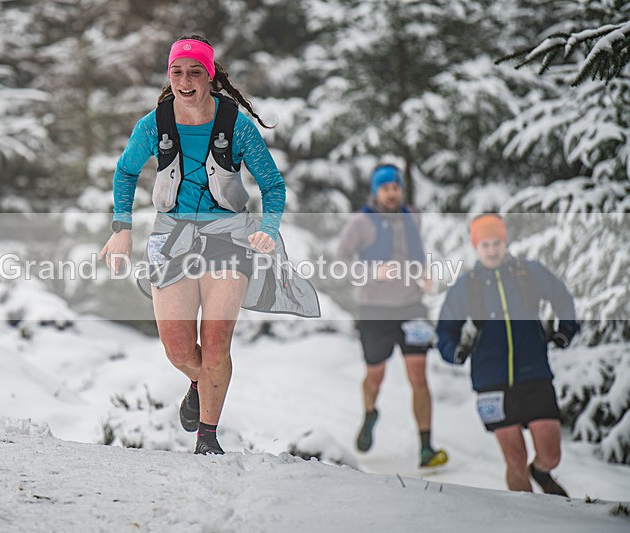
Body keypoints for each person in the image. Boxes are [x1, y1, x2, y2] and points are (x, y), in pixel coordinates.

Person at [99, 35, 319, 455]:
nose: (185, 80)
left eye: (195, 71)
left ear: (210, 75)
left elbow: (272, 185)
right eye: (177, 71)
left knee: (216, 343)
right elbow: (125, 173)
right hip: (171, 236)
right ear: (170, 75)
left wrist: (269, 230)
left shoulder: (236, 125)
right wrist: (121, 227)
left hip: (228, 237)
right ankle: (199, 381)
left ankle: (207, 437)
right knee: (178, 348)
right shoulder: (154, 125)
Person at [436, 214, 578, 495]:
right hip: (491, 382)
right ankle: (526, 521)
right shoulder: (468, 285)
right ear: (476, 247)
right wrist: (455, 352)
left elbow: (563, 298)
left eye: (496, 243)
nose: (492, 250)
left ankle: (540, 472)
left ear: (505, 242)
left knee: (551, 454)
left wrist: (566, 330)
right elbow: (444, 330)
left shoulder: (529, 273)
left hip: (534, 373)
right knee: (514, 459)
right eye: (485, 244)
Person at [336, 164, 448, 468]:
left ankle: (426, 447)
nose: (391, 193)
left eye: (395, 187)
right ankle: (370, 413)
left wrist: (426, 272)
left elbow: (417, 251)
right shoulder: (361, 222)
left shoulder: (413, 217)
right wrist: (373, 272)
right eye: (385, 188)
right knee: (376, 375)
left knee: (418, 376)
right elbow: (340, 263)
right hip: (374, 310)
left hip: (412, 307)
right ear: (376, 191)